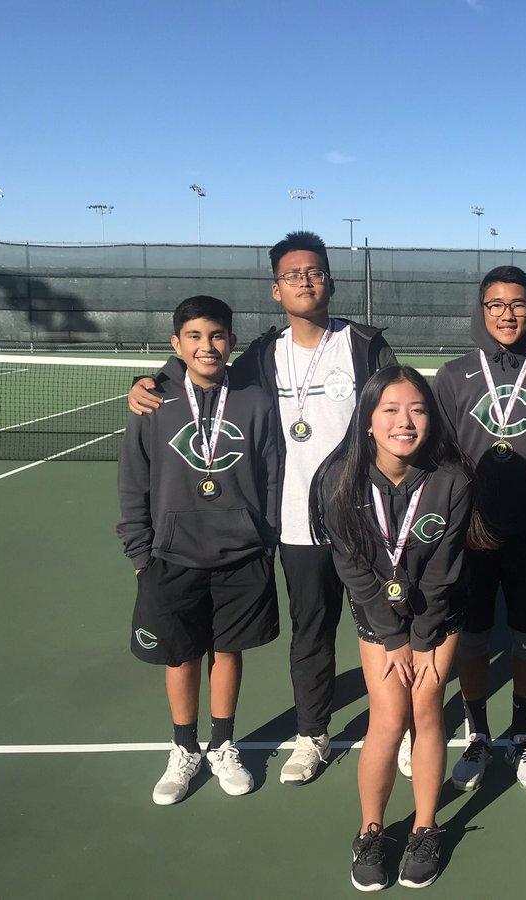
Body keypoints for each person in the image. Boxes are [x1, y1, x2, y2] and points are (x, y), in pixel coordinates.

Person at [128, 231, 396, 786]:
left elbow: (397, 414)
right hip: (296, 526)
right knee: (312, 633)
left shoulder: (367, 347)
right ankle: (312, 735)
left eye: (314, 271)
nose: (304, 280)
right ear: (276, 290)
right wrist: (155, 378)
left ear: (330, 280)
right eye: (292, 274)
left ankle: (409, 728)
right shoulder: (262, 355)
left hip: (368, 523)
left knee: (390, 628)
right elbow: (205, 368)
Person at [309, 366, 484, 891]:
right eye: (390, 410)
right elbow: (353, 568)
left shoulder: (452, 480)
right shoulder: (338, 479)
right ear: (367, 419)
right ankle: (371, 830)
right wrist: (394, 638)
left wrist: (424, 637)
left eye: (417, 410)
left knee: (426, 711)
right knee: (387, 719)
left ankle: (426, 827)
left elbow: (445, 567)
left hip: (437, 614)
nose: (404, 422)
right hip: (379, 619)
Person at [117, 295, 280, 805]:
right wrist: (141, 552)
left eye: (216, 336)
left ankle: (223, 744)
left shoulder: (255, 398)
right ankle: (184, 749)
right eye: (194, 337)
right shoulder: (153, 401)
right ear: (176, 345)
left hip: (241, 553)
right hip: (171, 556)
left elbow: (271, 473)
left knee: (226, 651)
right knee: (180, 656)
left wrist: (265, 536)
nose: (206, 346)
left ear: (231, 342)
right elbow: (133, 480)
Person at [432, 265, 526, 793]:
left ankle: (524, 735)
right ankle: (479, 734)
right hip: (472, 533)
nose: (506, 314)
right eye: (495, 305)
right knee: (474, 634)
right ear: (480, 311)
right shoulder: (452, 376)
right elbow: (440, 455)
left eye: (517, 304)